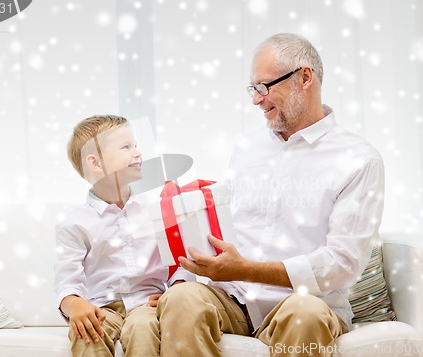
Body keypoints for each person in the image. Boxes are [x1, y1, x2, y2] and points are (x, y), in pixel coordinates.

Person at [157, 33, 385, 356]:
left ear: (305, 78)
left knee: (306, 314)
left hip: (303, 302)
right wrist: (184, 276)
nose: (256, 100)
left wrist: (246, 269)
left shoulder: (359, 160)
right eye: (253, 89)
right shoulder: (248, 147)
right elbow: (222, 227)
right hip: (233, 298)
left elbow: (341, 263)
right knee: (181, 299)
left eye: (264, 87)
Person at [54, 115, 193, 357]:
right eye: (126, 147)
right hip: (101, 308)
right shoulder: (74, 223)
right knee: (86, 333)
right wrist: (74, 304)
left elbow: (181, 261)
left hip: (146, 304)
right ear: (96, 163)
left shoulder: (157, 209)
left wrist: (176, 289)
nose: (138, 153)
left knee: (144, 329)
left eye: (136, 145)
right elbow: (67, 282)